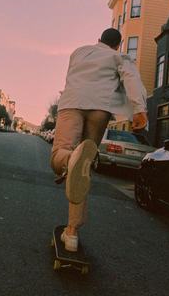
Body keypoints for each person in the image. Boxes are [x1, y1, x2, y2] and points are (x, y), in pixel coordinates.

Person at [51, 28, 147, 252]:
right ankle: (72, 232)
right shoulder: (119, 56)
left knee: (60, 156)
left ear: (98, 40)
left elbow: (71, 77)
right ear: (117, 45)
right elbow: (132, 78)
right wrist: (139, 109)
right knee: (83, 169)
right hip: (100, 110)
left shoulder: (79, 52)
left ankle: (70, 158)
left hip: (72, 103)